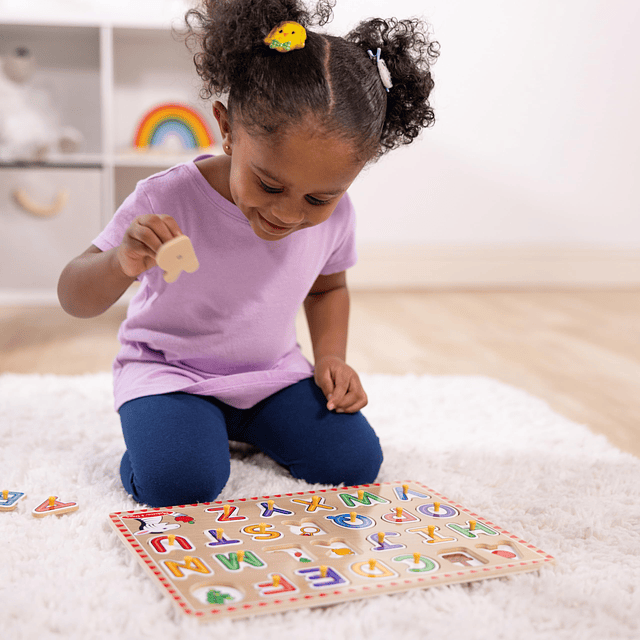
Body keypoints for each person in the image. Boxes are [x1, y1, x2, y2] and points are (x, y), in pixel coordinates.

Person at [57, 0, 439, 508]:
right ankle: (172, 438)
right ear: (228, 129)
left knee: (354, 463)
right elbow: (73, 297)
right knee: (181, 483)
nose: (288, 214)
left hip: (271, 376)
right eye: (268, 184)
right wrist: (120, 263)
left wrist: (330, 358)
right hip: (171, 374)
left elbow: (328, 287)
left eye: (317, 198)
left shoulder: (338, 213)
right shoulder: (165, 197)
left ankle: (231, 430)